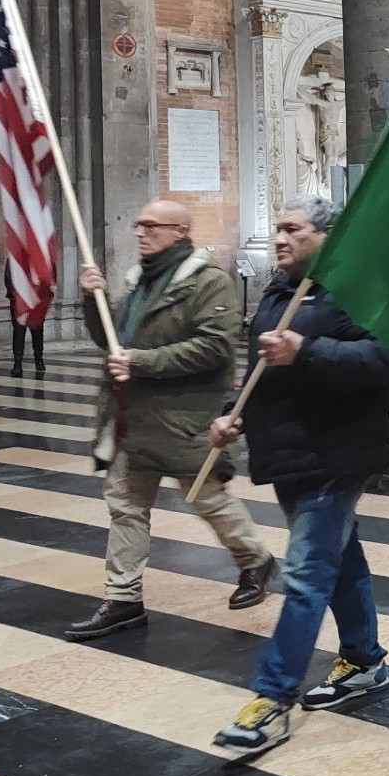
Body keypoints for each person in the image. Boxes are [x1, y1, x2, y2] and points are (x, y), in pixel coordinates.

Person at [208, 195, 389, 757]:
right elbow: (262, 373)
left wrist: (308, 349)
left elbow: (386, 358)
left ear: (327, 237)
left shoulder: (360, 287)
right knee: (341, 561)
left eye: (292, 229)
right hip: (291, 454)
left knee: (305, 574)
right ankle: (364, 661)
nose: (279, 238)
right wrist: (235, 415)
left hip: (335, 455)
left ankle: (271, 701)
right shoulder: (278, 292)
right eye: (277, 228)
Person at [67, 199, 274, 642]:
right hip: (130, 417)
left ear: (180, 231)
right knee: (125, 508)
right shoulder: (139, 280)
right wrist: (93, 299)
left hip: (182, 418)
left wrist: (141, 361)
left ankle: (255, 559)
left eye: (151, 226)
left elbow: (214, 348)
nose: (140, 232)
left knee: (206, 498)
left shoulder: (208, 283)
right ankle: (123, 598)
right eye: (138, 225)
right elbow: (112, 339)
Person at [4, 269, 47, 378]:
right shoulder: (15, 256)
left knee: (37, 329)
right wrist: (15, 292)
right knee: (19, 331)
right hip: (19, 299)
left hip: (36, 298)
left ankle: (39, 358)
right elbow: (9, 276)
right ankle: (17, 363)